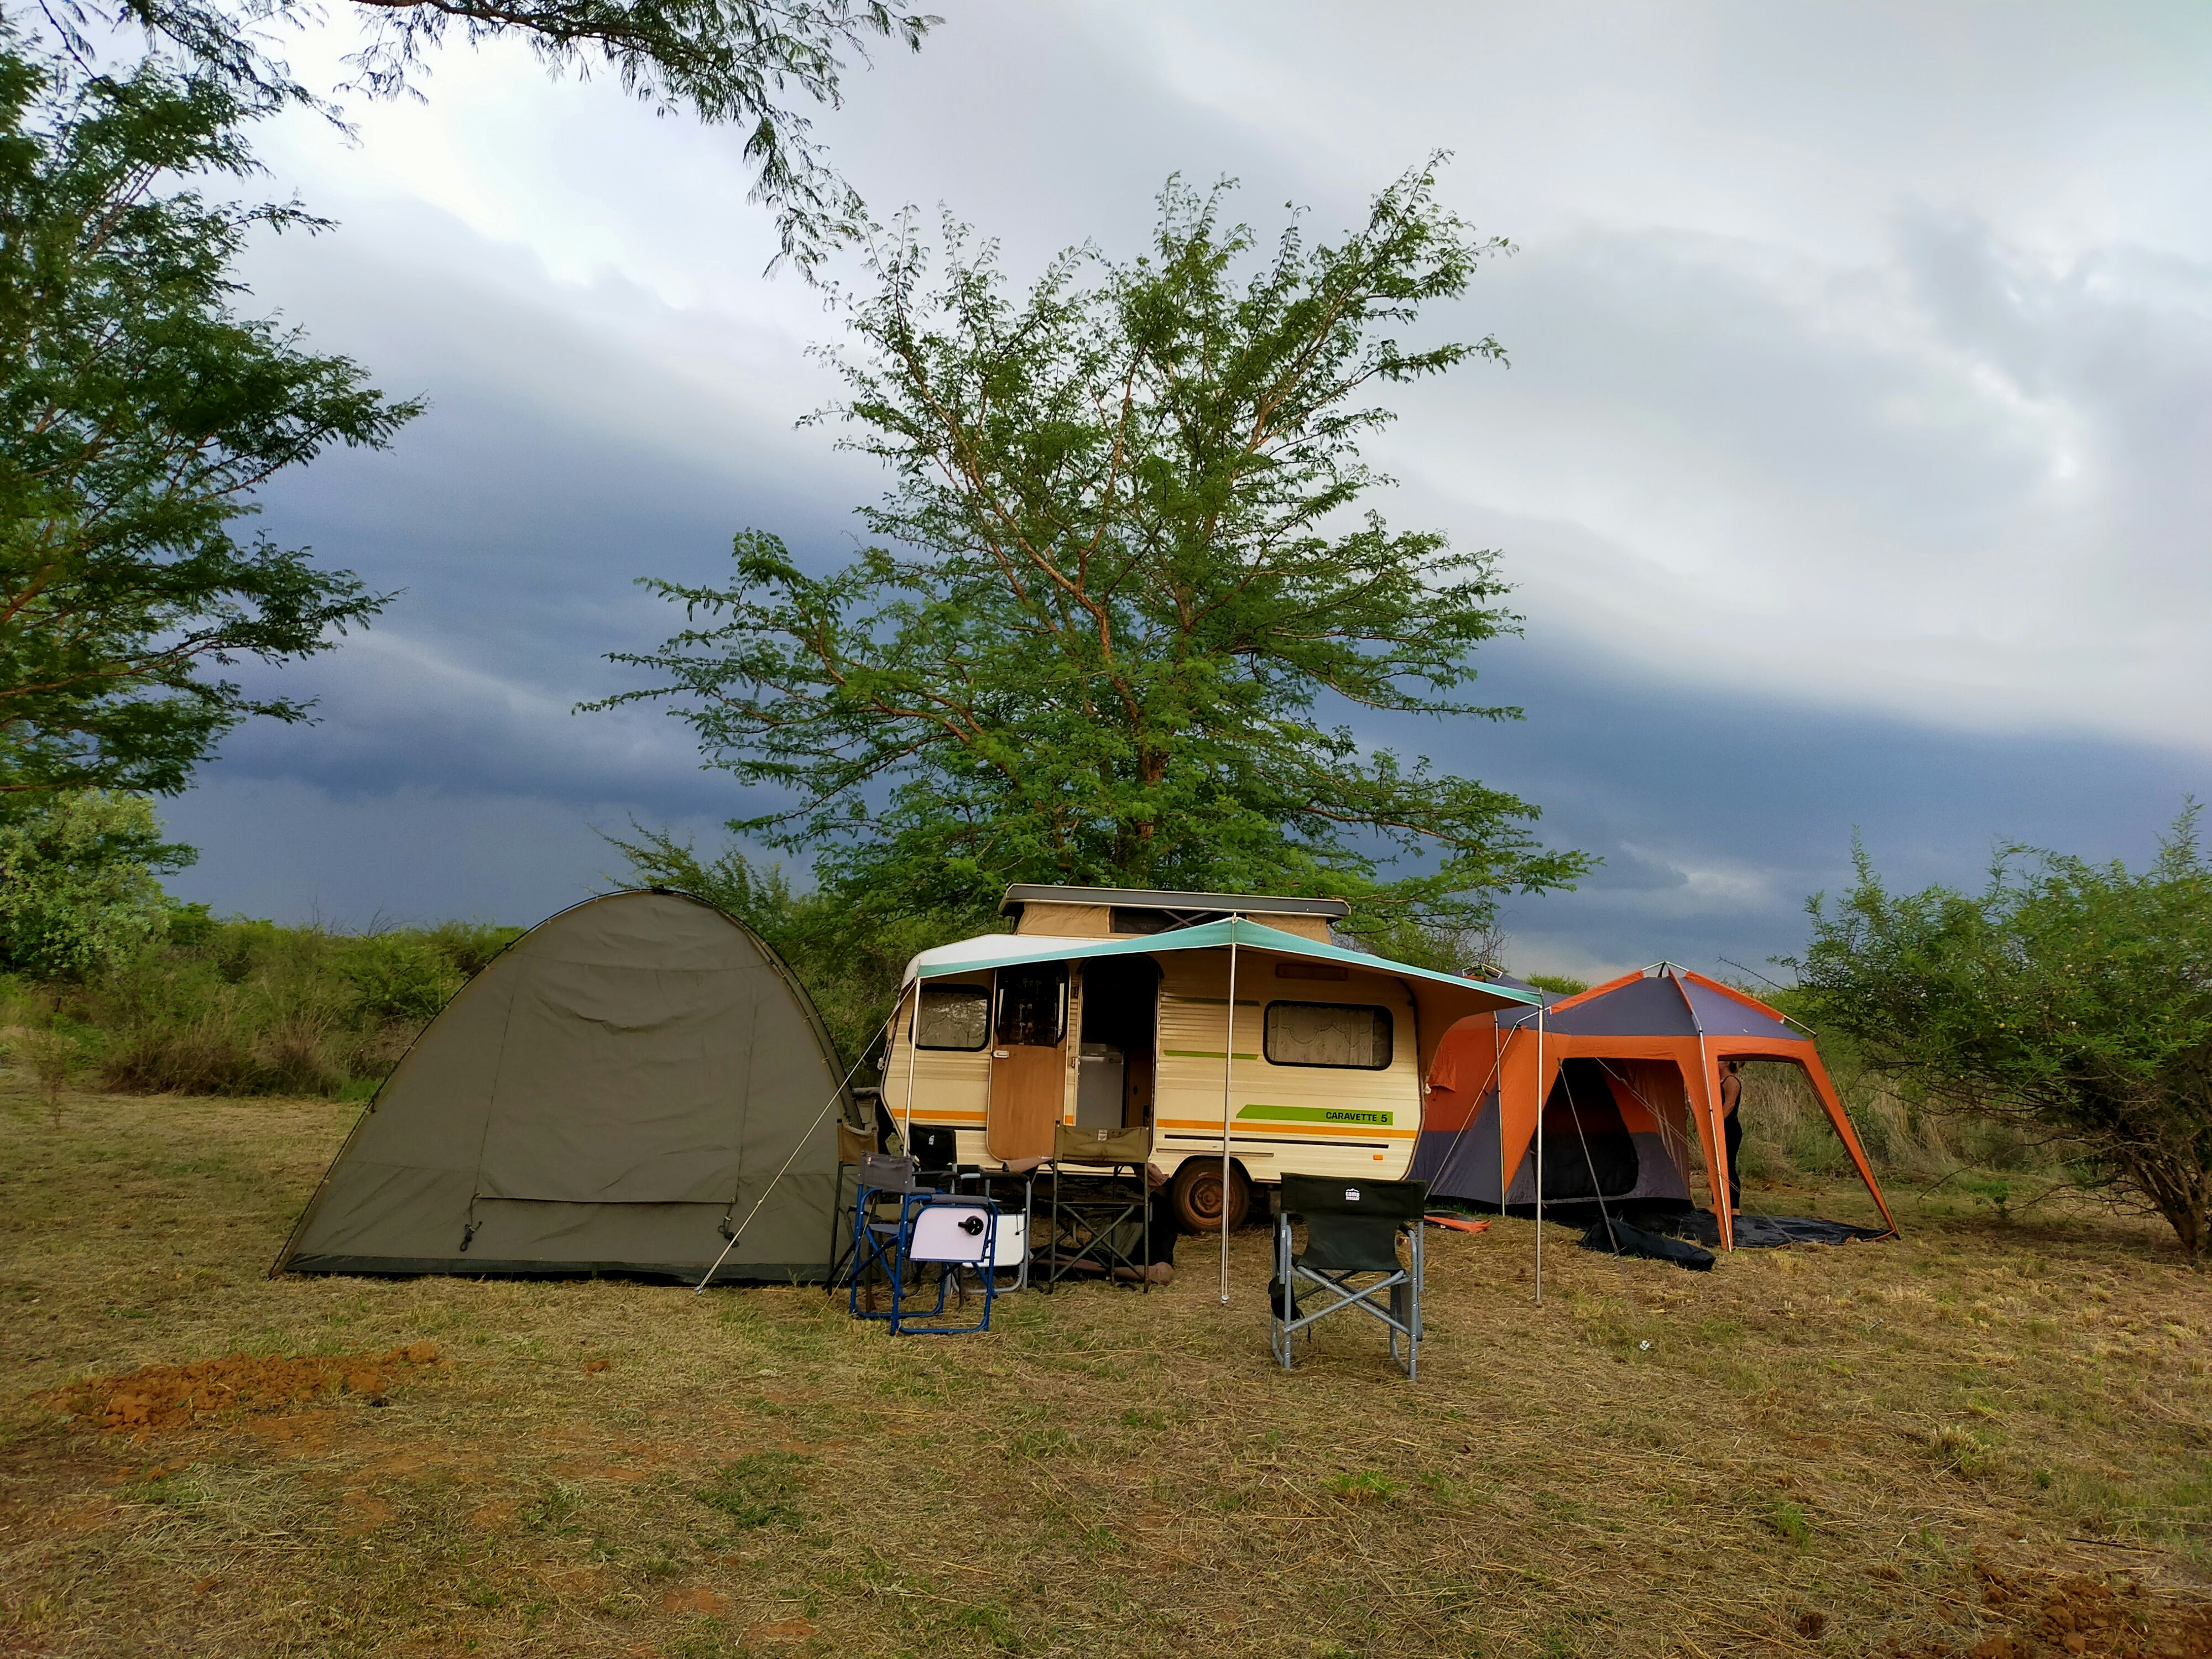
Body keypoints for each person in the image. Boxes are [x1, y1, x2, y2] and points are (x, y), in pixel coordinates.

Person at [1719, 1060, 1744, 1212]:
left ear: (1727, 1063)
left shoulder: (1731, 1081)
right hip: (1722, 1127)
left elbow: (1729, 1105)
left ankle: (1734, 1206)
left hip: (1730, 1128)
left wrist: (1716, 1124)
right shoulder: (1719, 1081)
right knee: (1719, 1167)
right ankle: (1719, 1203)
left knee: (1729, 1166)